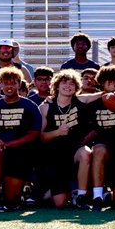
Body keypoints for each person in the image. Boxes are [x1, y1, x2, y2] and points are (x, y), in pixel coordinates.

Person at [77, 65, 115, 210]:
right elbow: (78, 98)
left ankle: (112, 195)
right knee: (98, 150)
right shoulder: (95, 99)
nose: (112, 83)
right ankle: (97, 196)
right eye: (108, 80)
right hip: (103, 144)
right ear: (102, 81)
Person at [0, 68, 42, 211]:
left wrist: (8, 144)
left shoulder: (29, 106)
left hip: (20, 154)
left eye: (13, 83)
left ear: (19, 84)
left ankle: (19, 191)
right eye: (6, 83)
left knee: (11, 202)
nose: (9, 87)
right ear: (0, 84)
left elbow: (34, 134)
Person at [38, 70, 92, 209]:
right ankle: (46, 193)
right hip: (55, 157)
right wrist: (58, 132)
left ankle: (81, 196)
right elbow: (41, 138)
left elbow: (103, 94)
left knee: (86, 153)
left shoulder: (80, 101)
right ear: (56, 85)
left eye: (72, 83)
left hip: (74, 151)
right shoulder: (45, 107)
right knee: (59, 203)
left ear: (77, 87)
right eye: (64, 82)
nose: (68, 86)